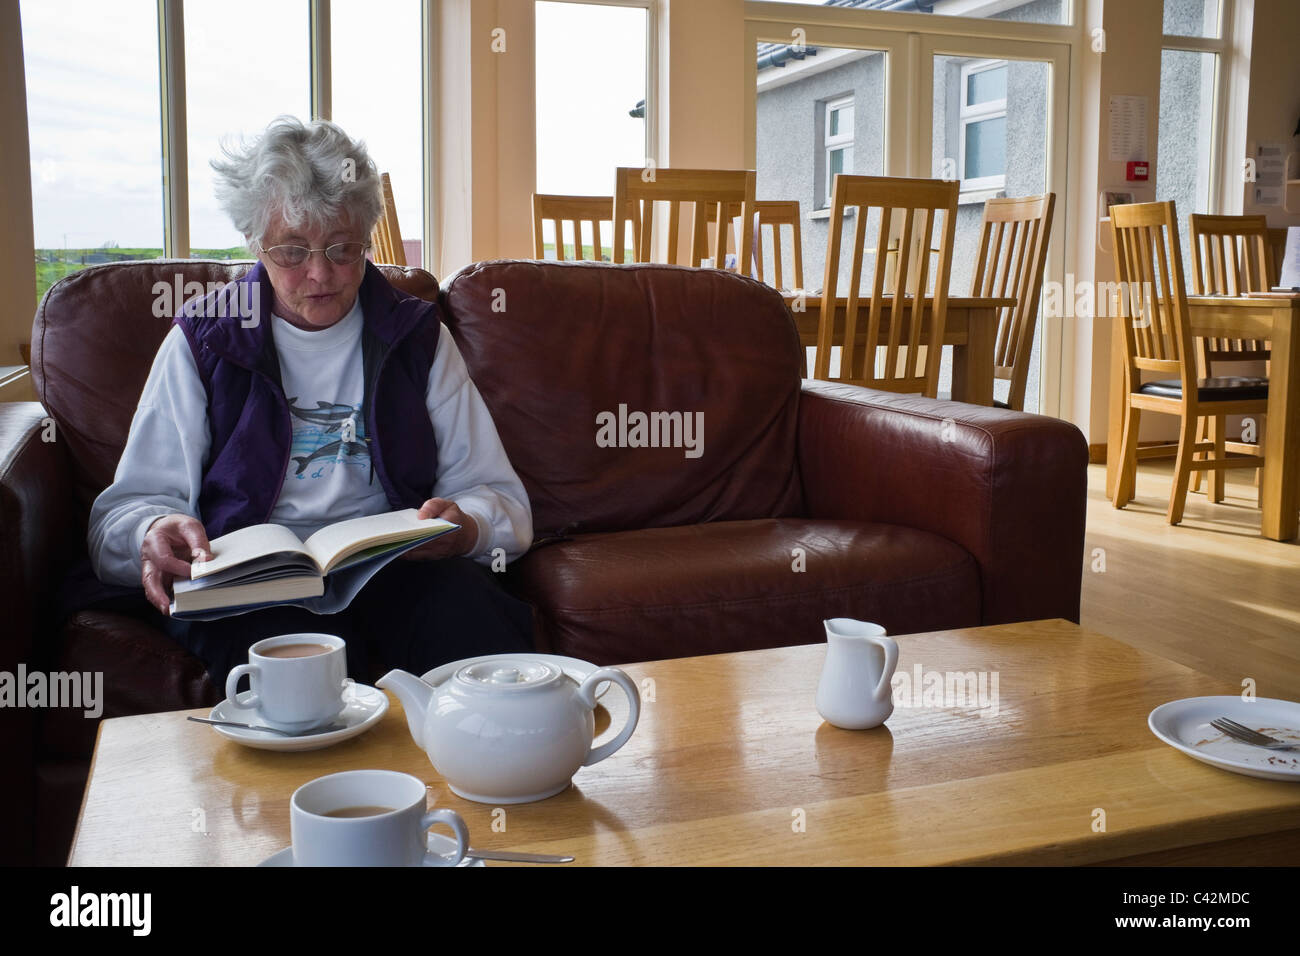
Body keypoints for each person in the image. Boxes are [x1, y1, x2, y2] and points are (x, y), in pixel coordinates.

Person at [86, 115, 535, 688]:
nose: (320, 274)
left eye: (343, 248)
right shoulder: (205, 339)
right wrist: (152, 529)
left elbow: (498, 497)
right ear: (255, 244)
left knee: (477, 637)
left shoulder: (415, 336)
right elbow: (122, 516)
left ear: (368, 237)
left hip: (392, 571)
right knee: (289, 684)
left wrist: (466, 528)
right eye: (292, 250)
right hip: (252, 587)